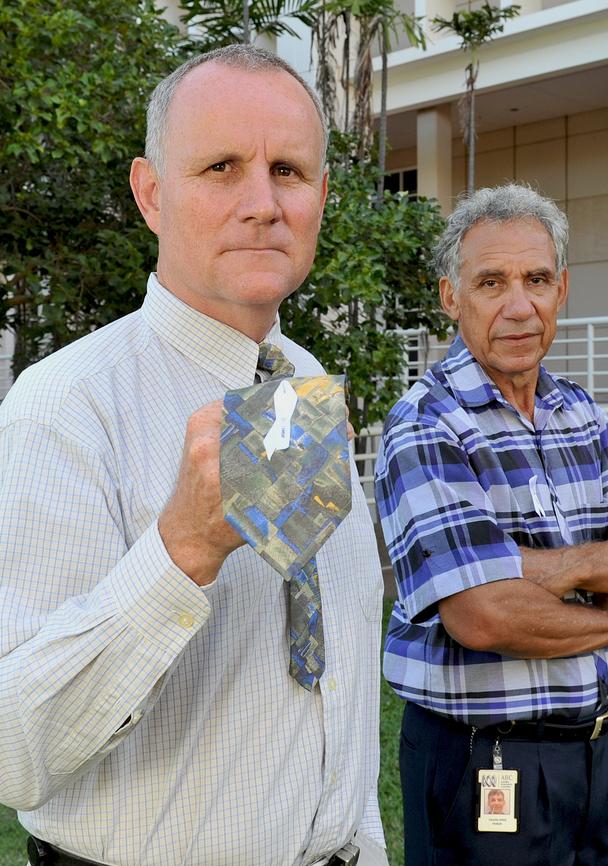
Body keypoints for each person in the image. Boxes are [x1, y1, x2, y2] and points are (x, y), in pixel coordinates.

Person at [0, 46, 387, 866]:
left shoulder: (309, 385)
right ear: (151, 193)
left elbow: (342, 691)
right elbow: (12, 749)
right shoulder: (64, 407)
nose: (261, 203)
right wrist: (181, 554)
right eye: (220, 167)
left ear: (322, 195)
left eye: (287, 170)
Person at [375, 183, 608, 866]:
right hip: (481, 765)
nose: (518, 305)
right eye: (491, 282)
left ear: (561, 289)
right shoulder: (427, 423)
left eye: (535, 280)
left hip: (594, 754)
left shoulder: (583, 414)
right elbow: (484, 615)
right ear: (451, 297)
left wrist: (557, 568)